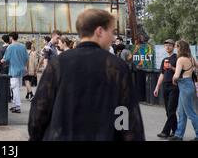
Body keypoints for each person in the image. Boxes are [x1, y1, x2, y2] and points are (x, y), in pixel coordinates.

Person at [28, 8, 145, 141]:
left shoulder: (58, 64)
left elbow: (39, 110)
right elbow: (127, 116)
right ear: (99, 31)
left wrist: (35, 137)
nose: (113, 38)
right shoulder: (116, 67)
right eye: (111, 32)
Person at [169, 40, 198, 141]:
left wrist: (173, 79)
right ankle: (179, 135)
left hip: (184, 86)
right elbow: (196, 67)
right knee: (181, 112)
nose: (176, 49)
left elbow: (176, 76)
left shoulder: (180, 59)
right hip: (189, 84)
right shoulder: (191, 58)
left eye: (177, 47)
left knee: (190, 113)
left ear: (180, 48)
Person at [153, 39, 179, 138]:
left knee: (171, 110)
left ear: (173, 47)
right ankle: (176, 131)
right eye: (166, 45)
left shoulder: (177, 58)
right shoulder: (164, 60)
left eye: (169, 45)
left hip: (174, 86)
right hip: (165, 86)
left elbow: (181, 71)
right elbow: (162, 74)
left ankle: (165, 132)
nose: (167, 47)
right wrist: (157, 87)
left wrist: (172, 67)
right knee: (168, 111)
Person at [1, 32, 29, 114]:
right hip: (21, 69)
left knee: (14, 88)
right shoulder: (23, 46)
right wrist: (25, 67)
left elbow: (5, 58)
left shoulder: (10, 47)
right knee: (17, 87)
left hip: (13, 70)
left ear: (11, 38)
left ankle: (17, 106)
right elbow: (27, 58)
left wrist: (1, 61)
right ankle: (15, 105)